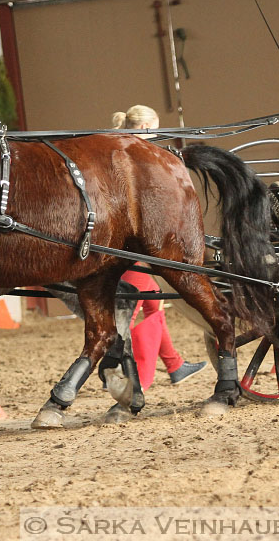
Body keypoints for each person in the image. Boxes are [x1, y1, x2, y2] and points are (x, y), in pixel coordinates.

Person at [110, 105, 206, 388]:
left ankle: (175, 365)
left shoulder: (119, 150)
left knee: (153, 302)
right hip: (130, 246)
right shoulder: (136, 158)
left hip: (127, 244)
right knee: (139, 304)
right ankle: (122, 369)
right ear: (144, 130)